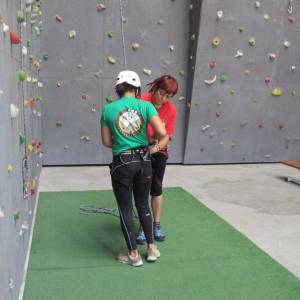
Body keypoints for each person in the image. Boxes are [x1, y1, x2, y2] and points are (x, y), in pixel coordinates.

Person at [100, 70, 167, 267]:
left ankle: (133, 255)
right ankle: (152, 249)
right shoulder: (146, 106)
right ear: (137, 89)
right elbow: (163, 134)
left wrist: (123, 143)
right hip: (145, 160)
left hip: (122, 162)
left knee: (126, 209)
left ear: (118, 88)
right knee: (143, 205)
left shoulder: (108, 109)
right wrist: (152, 149)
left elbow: (106, 141)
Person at [136, 75, 178, 244]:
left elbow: (166, 136)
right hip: (138, 148)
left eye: (168, 96)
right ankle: (143, 227)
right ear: (155, 88)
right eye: (162, 93)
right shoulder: (140, 101)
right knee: (141, 189)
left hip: (158, 150)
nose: (164, 99)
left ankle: (156, 225)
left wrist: (155, 148)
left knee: (156, 187)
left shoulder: (171, 110)